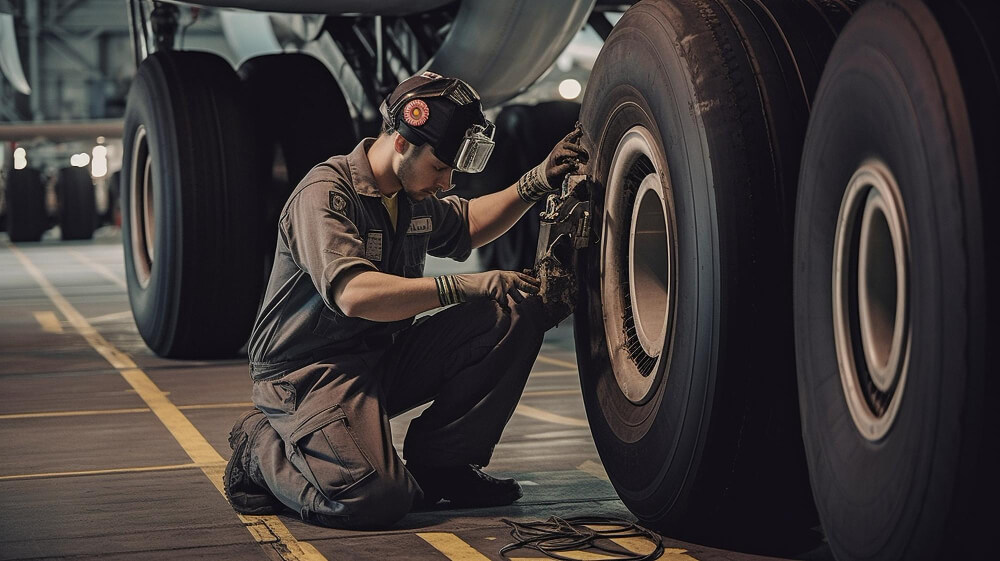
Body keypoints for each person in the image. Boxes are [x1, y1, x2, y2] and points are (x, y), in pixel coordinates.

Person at [223, 71, 589, 529]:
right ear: (400, 141)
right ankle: (259, 448)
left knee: (513, 312)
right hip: (309, 374)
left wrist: (535, 182)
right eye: (440, 168)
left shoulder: (407, 193)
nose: (446, 182)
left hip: (380, 355)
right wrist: (463, 286)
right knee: (373, 499)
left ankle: (443, 467)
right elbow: (355, 294)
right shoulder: (326, 194)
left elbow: (469, 224)